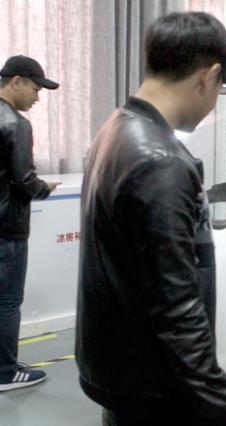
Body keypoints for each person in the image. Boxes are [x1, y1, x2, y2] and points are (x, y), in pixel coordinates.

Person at [76, 12, 226, 425]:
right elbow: (176, 301)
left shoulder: (115, 129)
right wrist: (214, 398)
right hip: (154, 383)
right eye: (220, 88)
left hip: (119, 366)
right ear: (209, 76)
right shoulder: (161, 161)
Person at [0, 55, 60, 391]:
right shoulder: (15, 124)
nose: (37, 97)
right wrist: (44, 188)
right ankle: (5, 371)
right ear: (17, 82)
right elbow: (25, 179)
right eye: (36, 89)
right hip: (7, 229)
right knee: (8, 301)